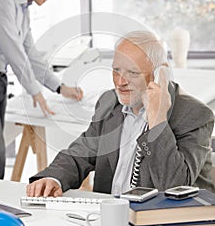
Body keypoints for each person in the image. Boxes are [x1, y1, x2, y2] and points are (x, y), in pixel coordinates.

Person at [27, 30, 215, 197]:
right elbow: (80, 154)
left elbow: (174, 186)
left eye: (132, 73)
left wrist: (157, 121)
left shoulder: (195, 115)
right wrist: (53, 178)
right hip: (111, 221)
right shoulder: (109, 102)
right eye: (116, 70)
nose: (120, 82)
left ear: (160, 75)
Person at [0, 0, 83, 179]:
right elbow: (12, 49)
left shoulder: (22, 9)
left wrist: (60, 88)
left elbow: (30, 54)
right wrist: (34, 90)